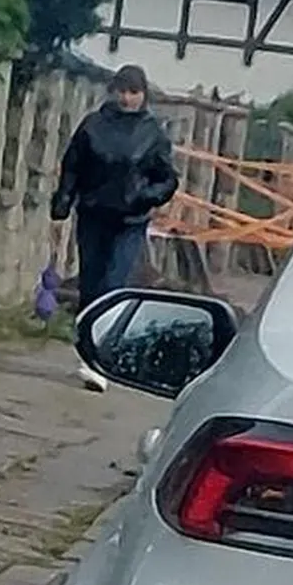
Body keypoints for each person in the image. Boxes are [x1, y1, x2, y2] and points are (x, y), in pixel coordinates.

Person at [51, 66, 180, 387]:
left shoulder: (153, 133)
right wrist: (64, 199)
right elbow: (72, 165)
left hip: (130, 221)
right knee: (91, 285)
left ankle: (102, 359)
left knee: (114, 285)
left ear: (143, 95)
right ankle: (86, 353)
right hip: (94, 214)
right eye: (122, 91)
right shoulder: (93, 126)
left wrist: (145, 197)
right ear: (113, 92)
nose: (126, 98)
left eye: (133, 92)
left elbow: (167, 179)